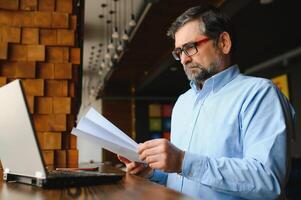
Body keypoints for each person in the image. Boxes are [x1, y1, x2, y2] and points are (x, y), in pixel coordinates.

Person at [118, 4, 295, 200]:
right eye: (179, 52)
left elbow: (268, 180)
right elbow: (181, 179)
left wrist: (183, 161)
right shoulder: (182, 102)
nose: (184, 59)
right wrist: (152, 173)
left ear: (223, 43)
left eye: (190, 48)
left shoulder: (260, 94)